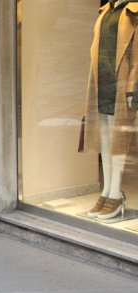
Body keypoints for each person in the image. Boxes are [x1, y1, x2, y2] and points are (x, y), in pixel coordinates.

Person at [83, 0, 138, 220]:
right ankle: (106, 191)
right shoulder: (105, 11)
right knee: (105, 138)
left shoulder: (133, 12)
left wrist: (134, 86)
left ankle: (116, 193)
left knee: (118, 139)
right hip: (102, 81)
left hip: (121, 82)